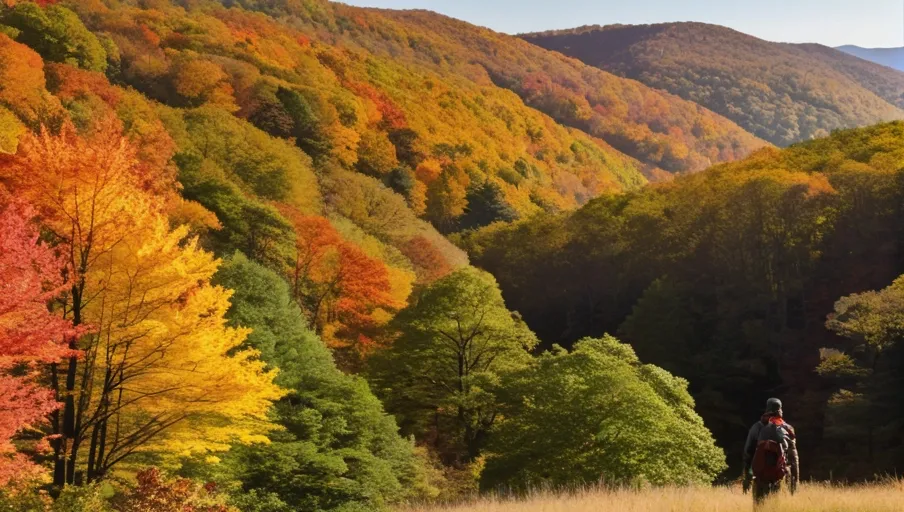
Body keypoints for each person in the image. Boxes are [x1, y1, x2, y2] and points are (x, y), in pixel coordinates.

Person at [742, 398, 799, 504]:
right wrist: (793, 484)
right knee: (775, 507)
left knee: (759, 508)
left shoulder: (757, 427)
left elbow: (748, 453)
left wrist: (747, 478)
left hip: (759, 477)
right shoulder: (788, 429)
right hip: (780, 477)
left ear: (767, 409)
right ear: (780, 409)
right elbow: (793, 458)